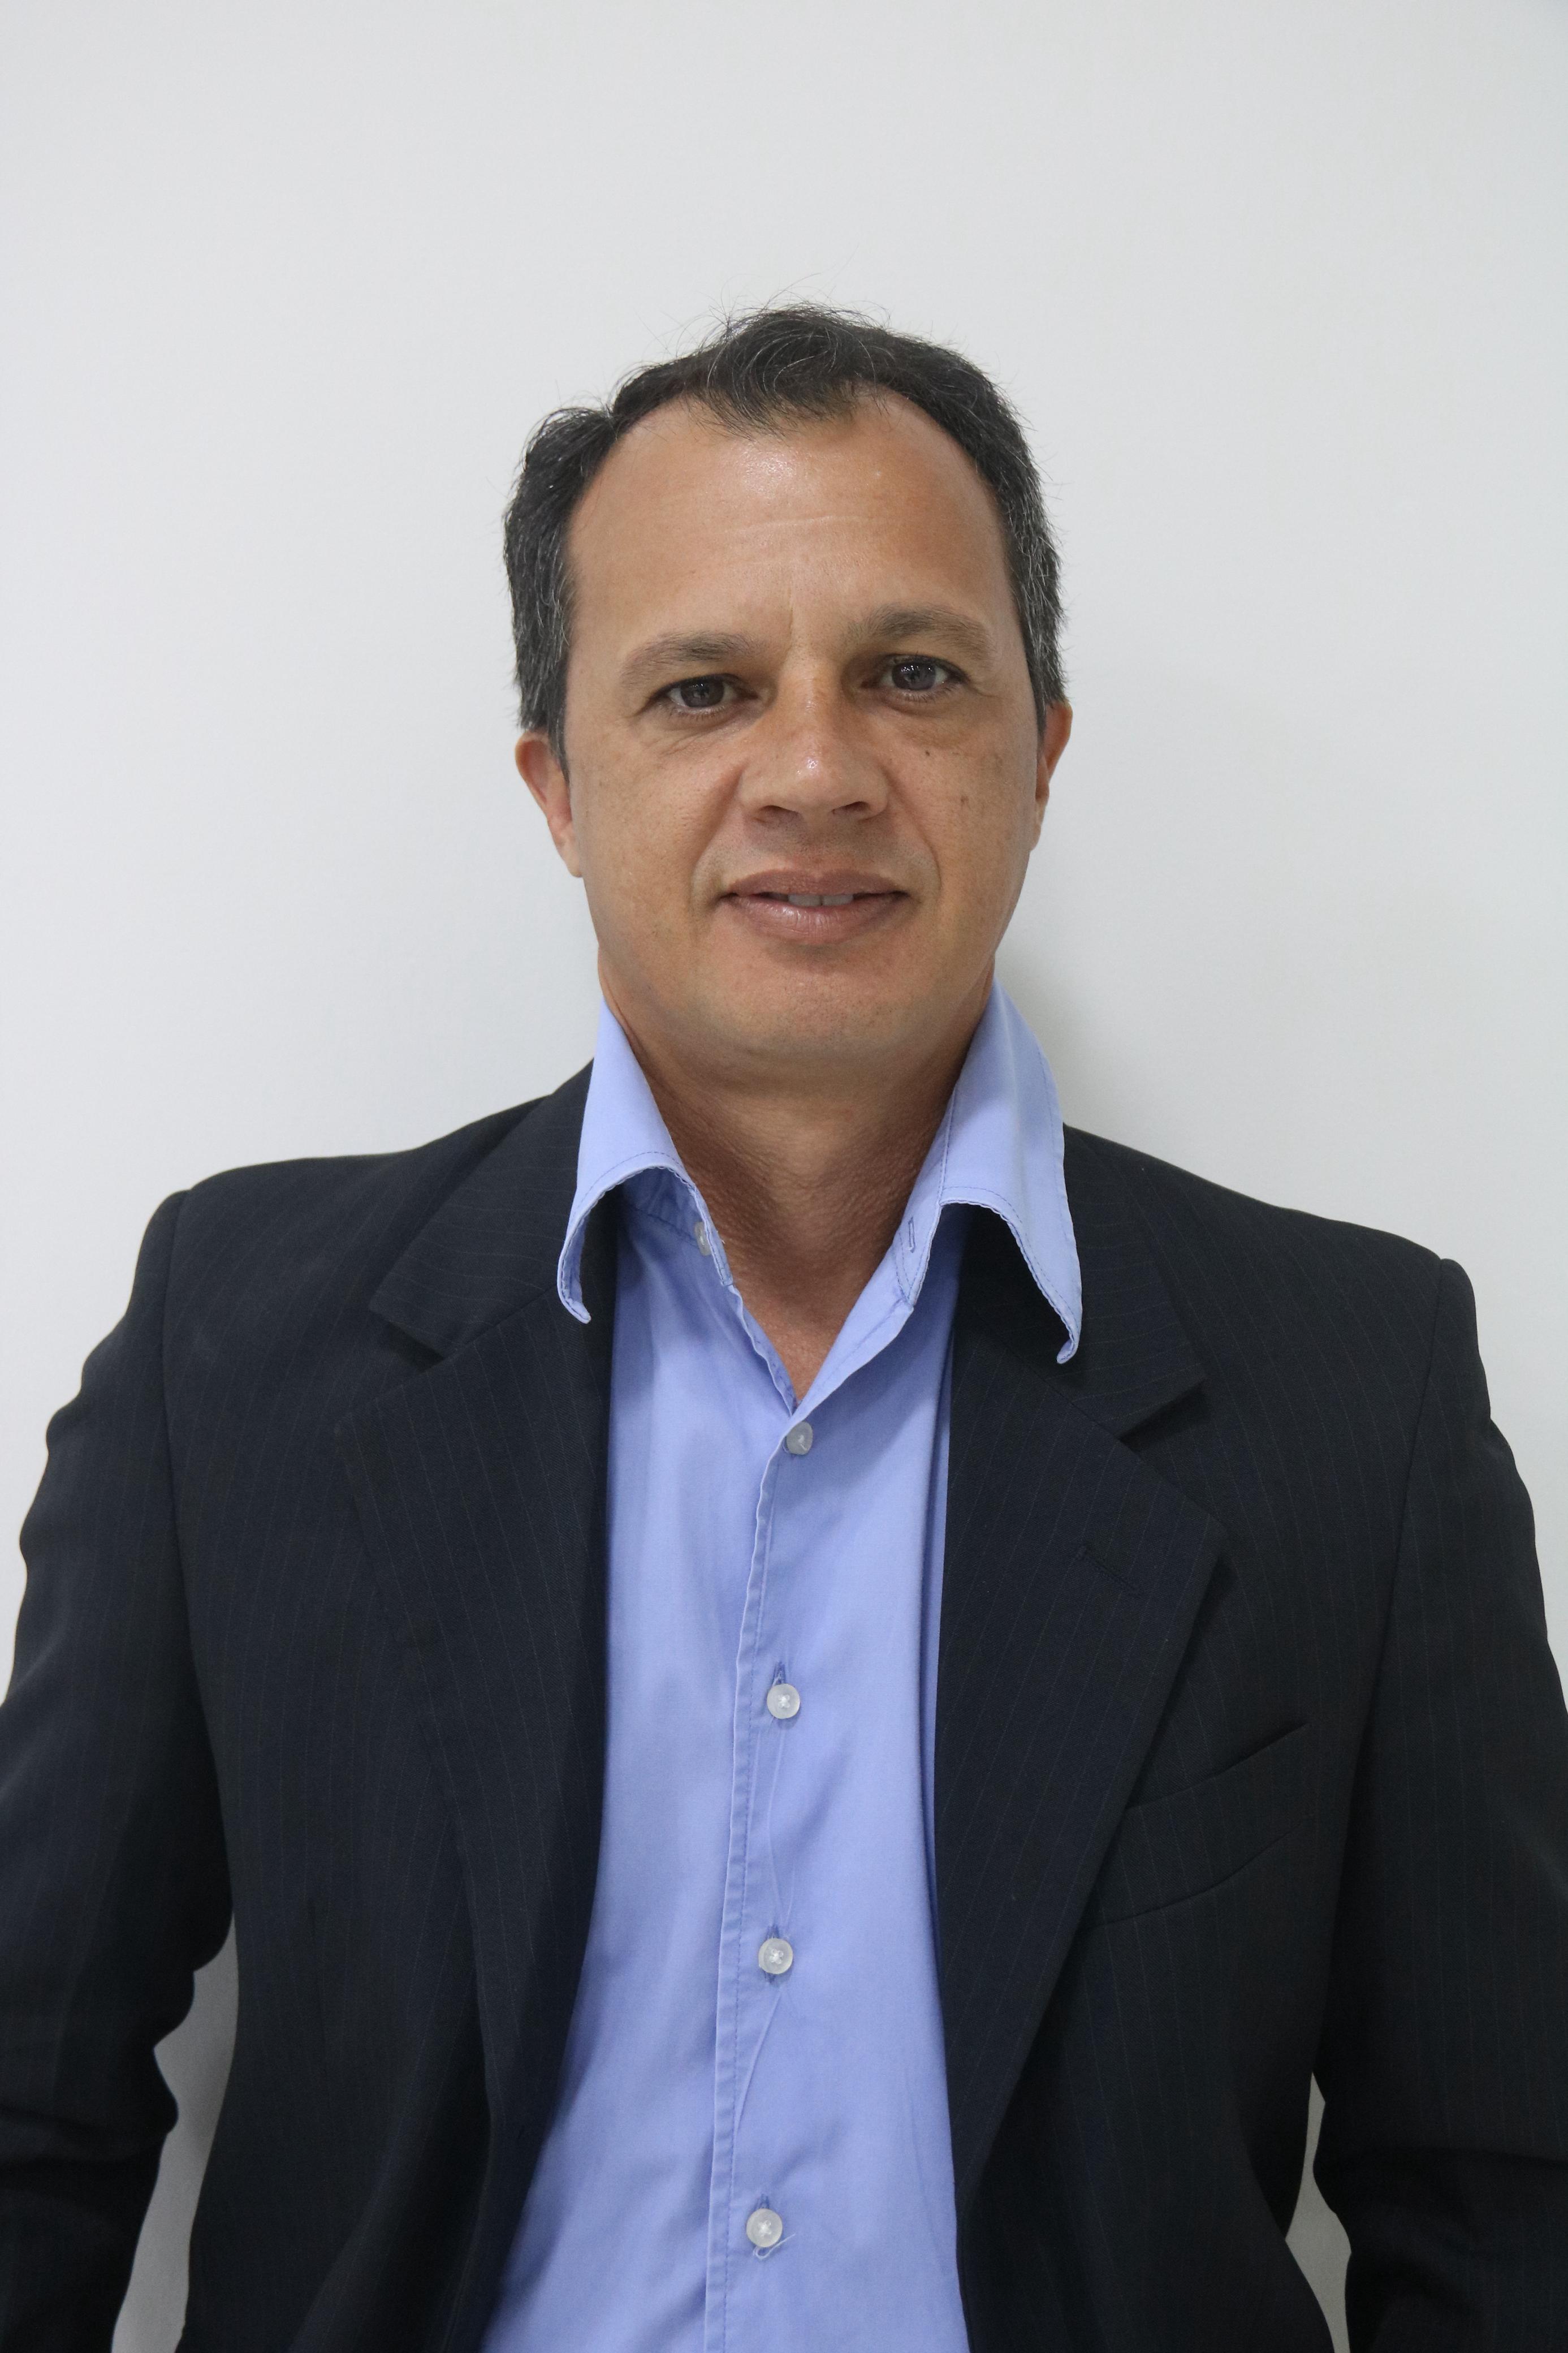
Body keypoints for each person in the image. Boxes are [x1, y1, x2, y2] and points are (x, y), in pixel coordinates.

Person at [2, 304, 1565, 2353]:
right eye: (704, 689)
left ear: (1041, 752)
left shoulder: (1356, 1389)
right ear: (561, 788)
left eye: (913, 675)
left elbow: (1509, 2193)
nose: (817, 773)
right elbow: (28, 2093)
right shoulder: (239, 1347)